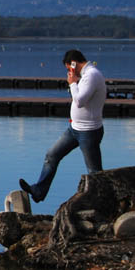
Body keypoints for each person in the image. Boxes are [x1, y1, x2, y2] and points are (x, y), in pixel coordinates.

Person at [19, 49, 106, 203]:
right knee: (52, 155)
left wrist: (73, 83)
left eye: (68, 68)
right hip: (75, 129)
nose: (69, 72)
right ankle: (38, 191)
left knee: (94, 172)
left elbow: (80, 101)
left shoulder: (91, 75)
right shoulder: (86, 76)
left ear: (73, 63)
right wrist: (75, 83)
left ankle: (103, 203)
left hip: (89, 131)